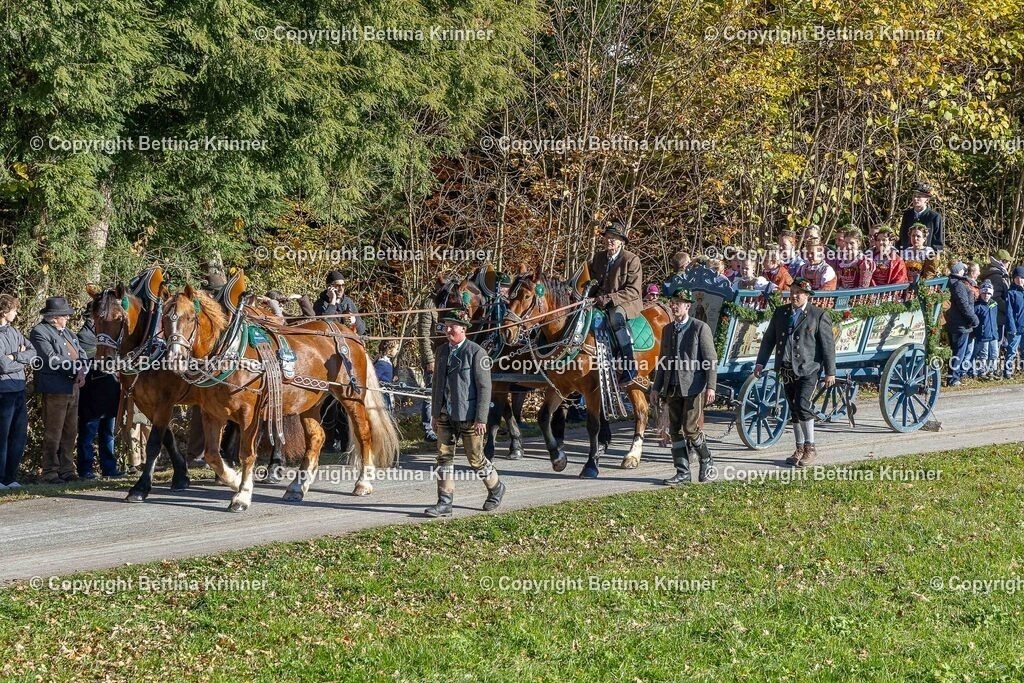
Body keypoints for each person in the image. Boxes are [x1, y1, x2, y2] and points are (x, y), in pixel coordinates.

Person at [424, 309, 505, 517]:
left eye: (453, 326)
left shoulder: (477, 353)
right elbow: (436, 386)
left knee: (476, 459)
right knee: (443, 458)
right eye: (446, 326)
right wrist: (434, 414)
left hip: (469, 417)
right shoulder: (441, 351)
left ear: (463, 328)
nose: (448, 329)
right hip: (444, 415)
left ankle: (496, 488)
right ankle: (444, 502)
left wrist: (481, 418)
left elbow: (485, 388)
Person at [753, 277, 836, 467]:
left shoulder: (818, 315)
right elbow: (769, 340)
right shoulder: (781, 313)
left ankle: (810, 447)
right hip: (787, 367)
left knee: (802, 404)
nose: (794, 296)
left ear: (807, 295)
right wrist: (760, 363)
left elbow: (828, 346)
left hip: (809, 368)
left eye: (798, 293)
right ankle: (799, 448)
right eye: (792, 292)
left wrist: (830, 372)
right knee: (793, 408)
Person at [651, 289, 717, 485]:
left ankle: (706, 458)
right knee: (674, 431)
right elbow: (662, 360)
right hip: (672, 386)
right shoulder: (668, 329)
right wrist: (656, 387)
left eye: (678, 303)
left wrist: (711, 387)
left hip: (693, 387)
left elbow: (710, 360)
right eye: (672, 302)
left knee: (690, 429)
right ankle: (683, 472)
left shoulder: (700, 328)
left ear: (687, 306)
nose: (674, 306)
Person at [30, 296, 87, 483]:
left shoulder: (68, 333)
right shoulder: (39, 332)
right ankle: (50, 472)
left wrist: (83, 371)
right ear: (54, 317)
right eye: (65, 315)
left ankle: (67, 469)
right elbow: (51, 358)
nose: (68, 318)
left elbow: (82, 354)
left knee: (71, 431)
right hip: (55, 388)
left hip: (72, 387)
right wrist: (76, 368)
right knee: (53, 432)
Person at [588, 222, 643, 383]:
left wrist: (610, 299)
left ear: (622, 242)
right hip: (598, 301)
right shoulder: (598, 258)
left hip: (624, 302)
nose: (610, 240)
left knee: (615, 318)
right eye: (608, 237)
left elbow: (633, 291)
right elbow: (590, 282)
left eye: (614, 238)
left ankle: (629, 365)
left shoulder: (631, 259)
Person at [76, 303, 122, 478]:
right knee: (88, 433)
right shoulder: (84, 336)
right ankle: (85, 468)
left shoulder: (108, 335)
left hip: (109, 389)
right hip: (92, 391)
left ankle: (109, 467)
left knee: (108, 433)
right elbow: (88, 360)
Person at [0, 295, 36, 490]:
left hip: (19, 389)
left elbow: (33, 352)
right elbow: (2, 365)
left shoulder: (15, 332)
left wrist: (15, 355)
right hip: (3, 392)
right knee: (2, 436)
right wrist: (19, 361)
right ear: (4, 312)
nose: (16, 313)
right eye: (13, 310)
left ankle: (10, 477)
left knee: (18, 435)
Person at [945, 262, 979, 387]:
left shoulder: (953, 283)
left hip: (956, 323)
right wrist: (973, 318)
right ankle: (954, 378)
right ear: (958, 271)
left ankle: (953, 376)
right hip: (960, 324)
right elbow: (963, 304)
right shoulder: (959, 285)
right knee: (958, 352)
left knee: (956, 351)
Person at [314, 271, 366, 336]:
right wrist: (332, 301)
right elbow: (323, 326)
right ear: (329, 287)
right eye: (337, 286)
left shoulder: (348, 302)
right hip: (330, 342)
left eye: (343, 285)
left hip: (348, 341)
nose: (341, 289)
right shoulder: (320, 304)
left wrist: (354, 321)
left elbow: (361, 331)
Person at [416, 293, 439, 442]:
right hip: (433, 355)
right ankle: (428, 428)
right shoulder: (429, 303)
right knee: (430, 393)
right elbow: (423, 334)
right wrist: (429, 359)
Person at [898, 181, 944, 251]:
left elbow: (937, 243)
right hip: (907, 256)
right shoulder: (907, 215)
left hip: (926, 257)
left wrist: (932, 257)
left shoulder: (934, 217)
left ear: (927, 199)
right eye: (914, 196)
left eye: (919, 196)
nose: (915, 199)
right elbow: (902, 237)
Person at [980, 249, 1012, 339]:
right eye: (1008, 262)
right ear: (1002, 262)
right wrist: (1007, 308)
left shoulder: (996, 274)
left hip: (997, 316)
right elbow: (993, 298)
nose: (1009, 264)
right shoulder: (996, 277)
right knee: (995, 346)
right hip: (997, 317)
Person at [972, 282, 1000, 378]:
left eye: (988, 293)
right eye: (984, 293)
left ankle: (991, 370)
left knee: (994, 353)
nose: (986, 296)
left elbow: (995, 318)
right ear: (981, 293)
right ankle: (982, 371)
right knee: (983, 354)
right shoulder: (977, 306)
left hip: (994, 333)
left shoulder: (994, 305)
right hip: (983, 334)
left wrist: (996, 330)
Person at [1003, 266, 1024, 378]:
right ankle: (1007, 371)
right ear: (1013, 279)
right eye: (1017, 277)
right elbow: (1009, 312)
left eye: (1022, 278)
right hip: (1015, 327)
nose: (1019, 280)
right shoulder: (1011, 293)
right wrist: (1012, 327)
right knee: (1011, 350)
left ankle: (1022, 370)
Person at [373, 340, 399, 413]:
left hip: (387, 391)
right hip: (382, 392)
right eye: (396, 349)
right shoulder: (382, 363)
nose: (397, 351)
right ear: (389, 349)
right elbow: (375, 378)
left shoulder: (388, 362)